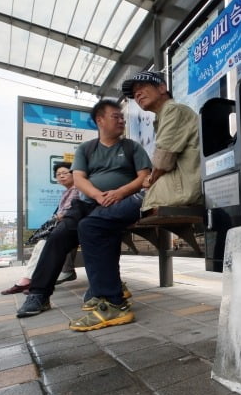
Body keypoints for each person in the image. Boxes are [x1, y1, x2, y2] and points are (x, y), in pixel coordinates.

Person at [17, 100, 152, 333]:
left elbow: (144, 177)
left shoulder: (131, 147)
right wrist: (99, 195)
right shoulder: (87, 149)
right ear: (100, 120)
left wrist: (119, 192)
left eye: (122, 117)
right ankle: (39, 294)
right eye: (115, 116)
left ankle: (107, 293)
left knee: (98, 230)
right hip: (87, 202)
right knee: (59, 236)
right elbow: (78, 179)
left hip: (118, 202)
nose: (121, 120)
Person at [121, 70, 203, 212]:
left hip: (181, 189)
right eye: (134, 93)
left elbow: (163, 161)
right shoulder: (164, 115)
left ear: (162, 88)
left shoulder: (173, 110)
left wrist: (150, 179)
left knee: (96, 221)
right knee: (105, 216)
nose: (137, 94)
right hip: (178, 187)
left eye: (141, 87)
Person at [1, 162, 79, 295]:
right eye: (58, 174)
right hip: (64, 227)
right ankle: (26, 280)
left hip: (72, 227)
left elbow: (71, 211)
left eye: (65, 173)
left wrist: (60, 216)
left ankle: (34, 282)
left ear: (74, 174)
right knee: (41, 245)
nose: (61, 176)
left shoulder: (78, 189)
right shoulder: (67, 192)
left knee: (45, 246)